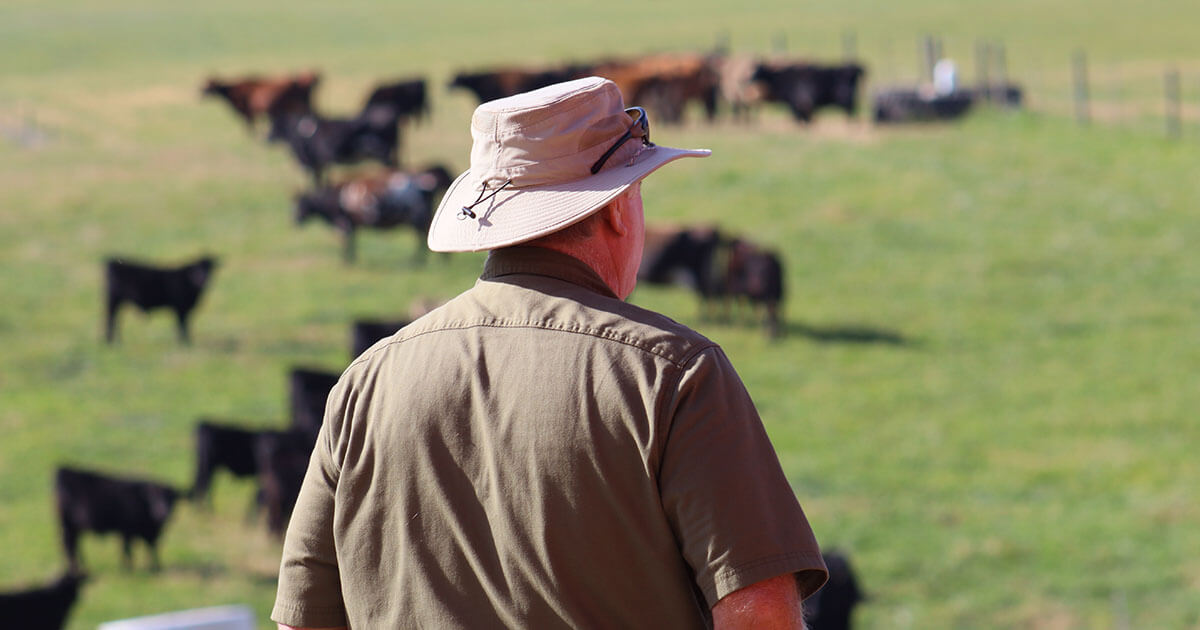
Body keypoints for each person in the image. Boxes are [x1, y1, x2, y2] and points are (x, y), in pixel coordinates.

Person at [272, 76, 827, 630]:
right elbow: (760, 619)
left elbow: (304, 619)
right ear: (616, 210)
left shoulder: (365, 383)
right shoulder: (673, 375)